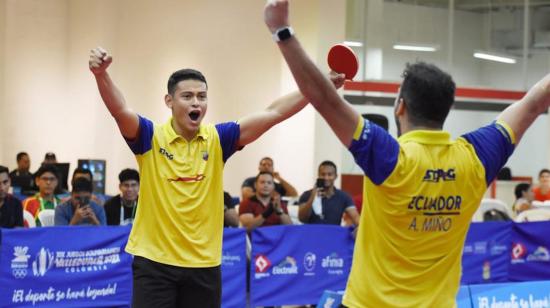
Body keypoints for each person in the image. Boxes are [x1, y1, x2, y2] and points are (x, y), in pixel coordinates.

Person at [264, 1, 550, 306]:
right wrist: (283, 33)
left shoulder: (389, 158)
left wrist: (281, 30)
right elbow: (533, 103)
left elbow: (324, 99)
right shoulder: (474, 159)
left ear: (400, 107)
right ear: (447, 109)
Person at [89, 46, 342, 307]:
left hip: (204, 264)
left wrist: (318, 88)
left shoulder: (218, 139)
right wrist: (101, 75)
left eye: (202, 96)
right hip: (154, 263)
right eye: (187, 96)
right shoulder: (149, 137)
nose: (196, 102)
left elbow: (273, 114)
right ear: (169, 101)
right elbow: (120, 111)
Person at [298, 160, 359, 226]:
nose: (326, 178)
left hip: (333, 234)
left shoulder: (344, 197)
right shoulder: (307, 195)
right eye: (323, 174)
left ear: (335, 176)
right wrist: (313, 197)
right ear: (318, 175)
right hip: (312, 234)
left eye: (329, 174)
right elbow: (302, 218)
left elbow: (356, 217)